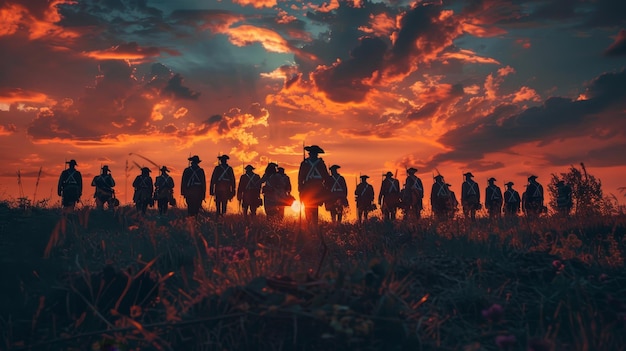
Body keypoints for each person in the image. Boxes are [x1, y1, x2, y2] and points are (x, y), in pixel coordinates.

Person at [298, 145, 330, 225]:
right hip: (317, 187)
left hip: (309, 187)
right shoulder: (320, 163)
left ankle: (310, 223)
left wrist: (300, 187)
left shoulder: (305, 163)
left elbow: (300, 177)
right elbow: (326, 176)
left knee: (309, 205)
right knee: (312, 206)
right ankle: (312, 223)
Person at [210, 155, 235, 219]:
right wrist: (233, 191)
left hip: (219, 189)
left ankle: (219, 216)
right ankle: (222, 216)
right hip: (226, 189)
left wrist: (211, 190)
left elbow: (213, 179)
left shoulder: (217, 168)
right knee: (224, 203)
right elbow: (232, 181)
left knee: (219, 204)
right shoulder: (229, 168)